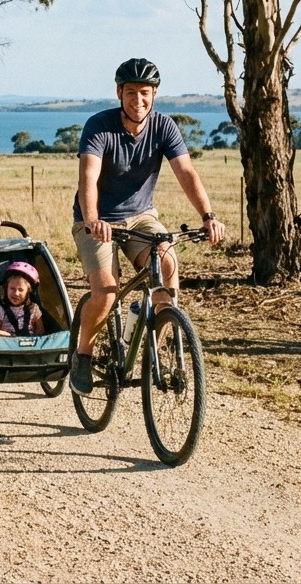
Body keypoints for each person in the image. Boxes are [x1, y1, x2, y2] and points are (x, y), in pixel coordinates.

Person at [69, 58, 226, 394]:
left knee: (167, 262)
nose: (137, 100)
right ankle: (83, 353)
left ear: (154, 94)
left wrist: (208, 215)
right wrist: (93, 219)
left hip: (141, 216)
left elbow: (186, 173)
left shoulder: (164, 127)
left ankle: (156, 348)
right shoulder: (99, 126)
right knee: (107, 292)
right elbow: (88, 177)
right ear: (119, 93)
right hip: (95, 220)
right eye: (130, 93)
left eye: (144, 93)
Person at [0, 261, 45, 337]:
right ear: (6, 288)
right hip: (7, 345)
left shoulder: (34, 308)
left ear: (28, 291)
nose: (16, 293)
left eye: (21, 290)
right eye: (12, 288)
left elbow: (40, 331)